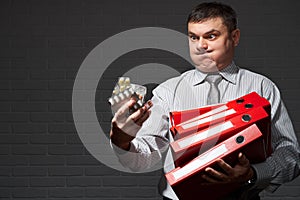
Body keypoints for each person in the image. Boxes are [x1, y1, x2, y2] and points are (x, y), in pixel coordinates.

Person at [109, 2, 300, 200]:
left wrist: (254, 173)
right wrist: (122, 142)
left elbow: (290, 154)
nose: (201, 45)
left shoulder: (262, 88)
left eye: (211, 36)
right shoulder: (168, 91)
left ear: (234, 37)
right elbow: (145, 156)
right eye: (194, 37)